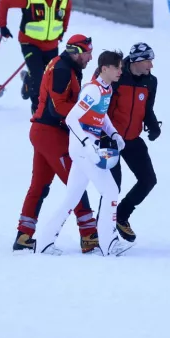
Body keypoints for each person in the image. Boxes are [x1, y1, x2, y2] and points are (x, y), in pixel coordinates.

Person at [36, 50, 132, 257]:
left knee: (71, 198)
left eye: (121, 68)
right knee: (111, 191)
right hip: (84, 149)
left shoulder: (106, 89)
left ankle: (44, 242)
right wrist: (88, 145)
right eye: (117, 67)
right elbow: (71, 118)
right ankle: (109, 243)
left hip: (87, 147)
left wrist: (113, 133)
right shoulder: (93, 90)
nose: (120, 71)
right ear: (104, 68)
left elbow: (101, 114)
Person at [15, 34, 100, 253]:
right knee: (76, 182)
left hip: (44, 132)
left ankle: (24, 236)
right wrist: (88, 115)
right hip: (50, 133)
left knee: (39, 186)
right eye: (88, 53)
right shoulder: (62, 69)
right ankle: (89, 235)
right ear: (76, 52)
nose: (91, 58)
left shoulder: (67, 66)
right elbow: (58, 107)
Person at [0, 0, 71, 113]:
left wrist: (63, 31)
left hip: (51, 45)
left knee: (50, 78)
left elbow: (66, 12)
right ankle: (37, 111)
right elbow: (4, 2)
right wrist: (2, 26)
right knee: (39, 77)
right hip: (30, 43)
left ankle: (27, 79)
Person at [106, 42, 161, 241]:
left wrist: (153, 126)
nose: (151, 66)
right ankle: (102, 229)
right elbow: (101, 106)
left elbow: (147, 109)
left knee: (148, 180)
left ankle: (121, 215)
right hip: (110, 140)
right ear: (136, 61)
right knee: (113, 186)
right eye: (148, 61)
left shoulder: (150, 81)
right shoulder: (117, 77)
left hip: (132, 139)